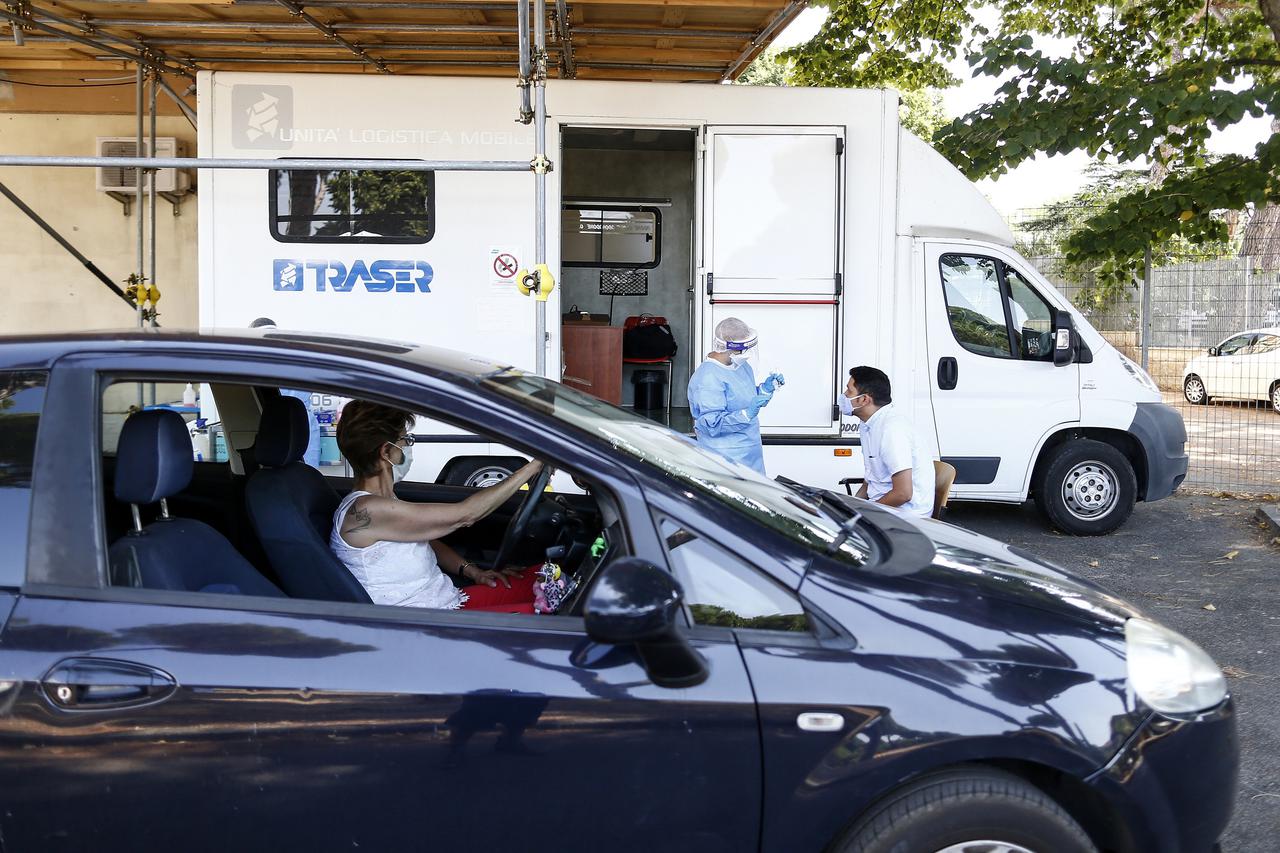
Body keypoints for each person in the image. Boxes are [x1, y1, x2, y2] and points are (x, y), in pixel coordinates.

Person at [329, 400, 543, 613]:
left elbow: (424, 538)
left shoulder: (382, 500)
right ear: (386, 452)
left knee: (541, 578)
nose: (407, 446)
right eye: (405, 440)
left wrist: (472, 572)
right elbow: (466, 515)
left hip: (446, 601)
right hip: (430, 622)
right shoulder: (369, 510)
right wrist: (534, 466)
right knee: (551, 614)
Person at [686, 317, 784, 475]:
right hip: (725, 459)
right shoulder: (707, 378)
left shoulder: (742, 367)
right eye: (742, 349)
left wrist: (766, 389)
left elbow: (745, 399)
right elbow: (711, 424)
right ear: (729, 347)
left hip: (751, 455)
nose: (745, 354)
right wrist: (746, 414)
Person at [842, 366, 935, 519]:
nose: (844, 395)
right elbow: (870, 479)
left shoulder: (892, 430)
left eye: (849, 391)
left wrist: (863, 514)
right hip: (884, 508)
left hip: (905, 516)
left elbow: (903, 493)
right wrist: (852, 506)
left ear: (864, 399)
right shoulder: (868, 425)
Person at [249, 317, 320, 467]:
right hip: (303, 425)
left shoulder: (255, 356)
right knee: (305, 474)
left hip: (272, 426)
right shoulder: (297, 354)